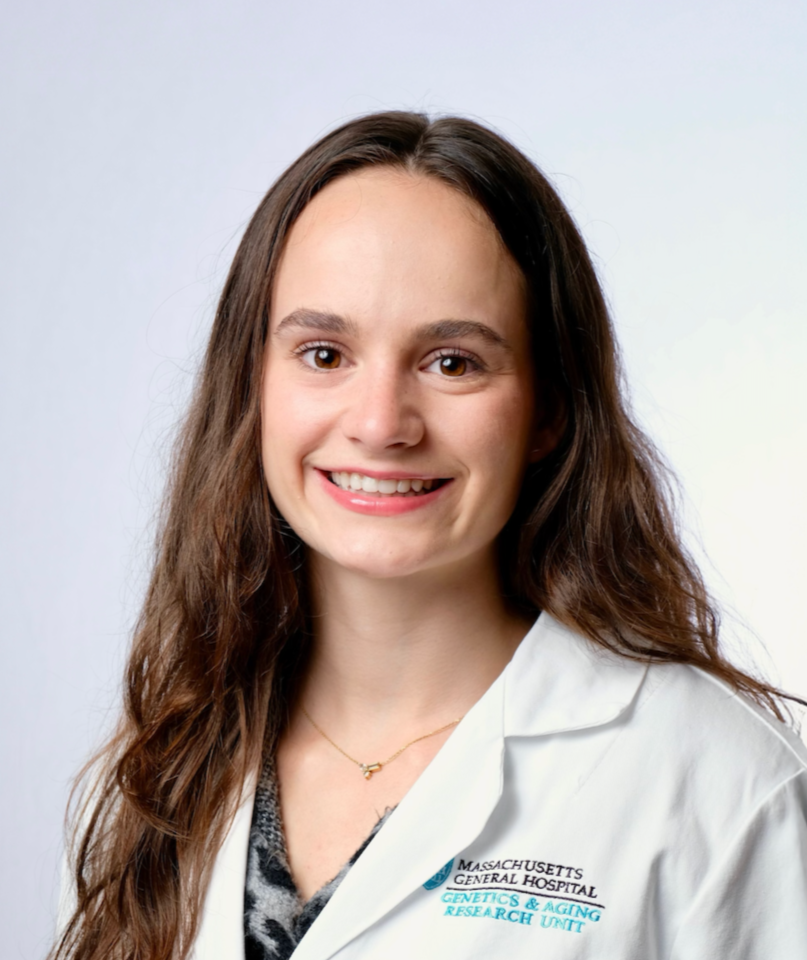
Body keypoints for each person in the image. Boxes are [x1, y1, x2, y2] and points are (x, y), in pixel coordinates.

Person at [52, 112, 807, 960]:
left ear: (549, 409)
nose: (380, 424)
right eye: (324, 354)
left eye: (452, 362)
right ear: (252, 384)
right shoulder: (154, 778)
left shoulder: (715, 781)